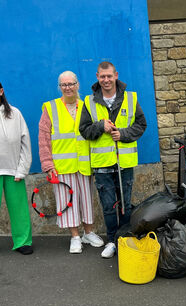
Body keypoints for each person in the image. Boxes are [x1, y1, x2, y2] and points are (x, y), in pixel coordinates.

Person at [79, 61, 147, 258]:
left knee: (125, 204)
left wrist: (123, 134)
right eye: (102, 76)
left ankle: (124, 240)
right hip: (102, 164)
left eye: (109, 76)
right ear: (97, 77)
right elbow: (84, 131)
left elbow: (141, 125)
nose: (106, 80)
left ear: (116, 75)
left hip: (124, 164)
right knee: (109, 206)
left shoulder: (130, 98)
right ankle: (112, 241)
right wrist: (100, 126)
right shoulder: (89, 101)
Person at [39, 71, 104, 254]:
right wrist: (48, 165)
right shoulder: (50, 108)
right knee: (66, 202)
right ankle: (75, 236)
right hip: (61, 167)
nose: (68, 88)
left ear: (78, 85)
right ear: (59, 87)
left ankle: (88, 233)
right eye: (64, 85)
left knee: (86, 200)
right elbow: (43, 139)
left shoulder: (87, 106)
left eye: (71, 84)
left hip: (84, 165)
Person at [0, 82, 33, 255]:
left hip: (13, 171)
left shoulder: (14, 114)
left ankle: (23, 241)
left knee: (19, 208)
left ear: (1, 91)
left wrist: (22, 169)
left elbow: (25, 143)